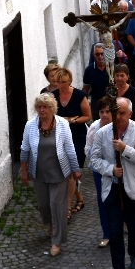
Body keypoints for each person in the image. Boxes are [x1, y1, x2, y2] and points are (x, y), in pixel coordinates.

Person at [90, 98, 135, 269]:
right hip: (112, 188)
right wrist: (110, 169)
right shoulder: (102, 133)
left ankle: (134, 254)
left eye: (122, 113)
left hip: (133, 187)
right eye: (115, 112)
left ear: (130, 114)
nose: (118, 117)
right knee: (115, 231)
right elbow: (94, 160)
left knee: (133, 225)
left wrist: (124, 149)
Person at [20, 93, 81, 257]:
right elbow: (25, 148)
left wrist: (75, 169)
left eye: (45, 107)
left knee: (57, 205)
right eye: (39, 107)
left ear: (52, 108)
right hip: (38, 172)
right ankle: (51, 224)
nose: (42, 110)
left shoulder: (62, 125)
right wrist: (24, 170)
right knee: (44, 205)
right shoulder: (30, 126)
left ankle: (57, 241)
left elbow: (70, 148)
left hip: (59, 172)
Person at [50, 68, 91, 219]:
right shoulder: (53, 96)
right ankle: (79, 199)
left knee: (73, 172)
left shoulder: (80, 95)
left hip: (78, 136)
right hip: (60, 137)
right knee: (65, 172)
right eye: (58, 83)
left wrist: (72, 120)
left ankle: (66, 208)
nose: (61, 85)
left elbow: (87, 116)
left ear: (70, 81)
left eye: (64, 82)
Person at [86, 97, 114, 248]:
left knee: (121, 196)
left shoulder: (119, 126)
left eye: (108, 111)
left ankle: (122, 222)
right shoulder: (94, 128)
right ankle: (106, 233)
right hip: (99, 170)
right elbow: (88, 150)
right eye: (102, 111)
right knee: (103, 200)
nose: (104, 114)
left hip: (117, 170)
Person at [83, 43, 113, 120]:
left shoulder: (112, 68)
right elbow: (85, 88)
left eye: (102, 54)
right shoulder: (89, 70)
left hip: (111, 101)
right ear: (94, 55)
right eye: (97, 54)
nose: (100, 56)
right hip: (96, 102)